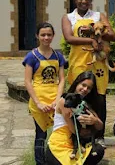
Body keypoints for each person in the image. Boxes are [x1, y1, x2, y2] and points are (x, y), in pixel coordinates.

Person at [62, 0, 115, 147]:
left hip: (98, 63)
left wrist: (98, 32)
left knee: (99, 98)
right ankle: (78, 133)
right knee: (77, 98)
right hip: (79, 63)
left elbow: (113, 36)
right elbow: (69, 38)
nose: (83, 1)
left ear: (91, 1)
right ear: (74, 0)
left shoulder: (98, 16)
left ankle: (98, 135)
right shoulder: (68, 17)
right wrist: (91, 40)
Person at [23, 22, 66, 165]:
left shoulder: (58, 56)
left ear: (53, 36)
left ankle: (56, 160)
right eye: (43, 35)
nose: (46, 38)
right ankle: (40, 162)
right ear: (37, 36)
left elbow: (62, 79)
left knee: (58, 132)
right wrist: (39, 103)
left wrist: (58, 100)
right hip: (38, 101)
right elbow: (28, 81)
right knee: (40, 134)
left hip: (55, 99)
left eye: (49, 35)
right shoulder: (31, 56)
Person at [46, 71, 105, 164]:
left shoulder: (85, 104)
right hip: (60, 144)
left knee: (98, 150)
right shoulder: (65, 101)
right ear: (77, 83)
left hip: (78, 143)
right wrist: (88, 131)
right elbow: (75, 130)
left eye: (89, 88)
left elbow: (100, 126)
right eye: (83, 85)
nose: (85, 89)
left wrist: (94, 121)